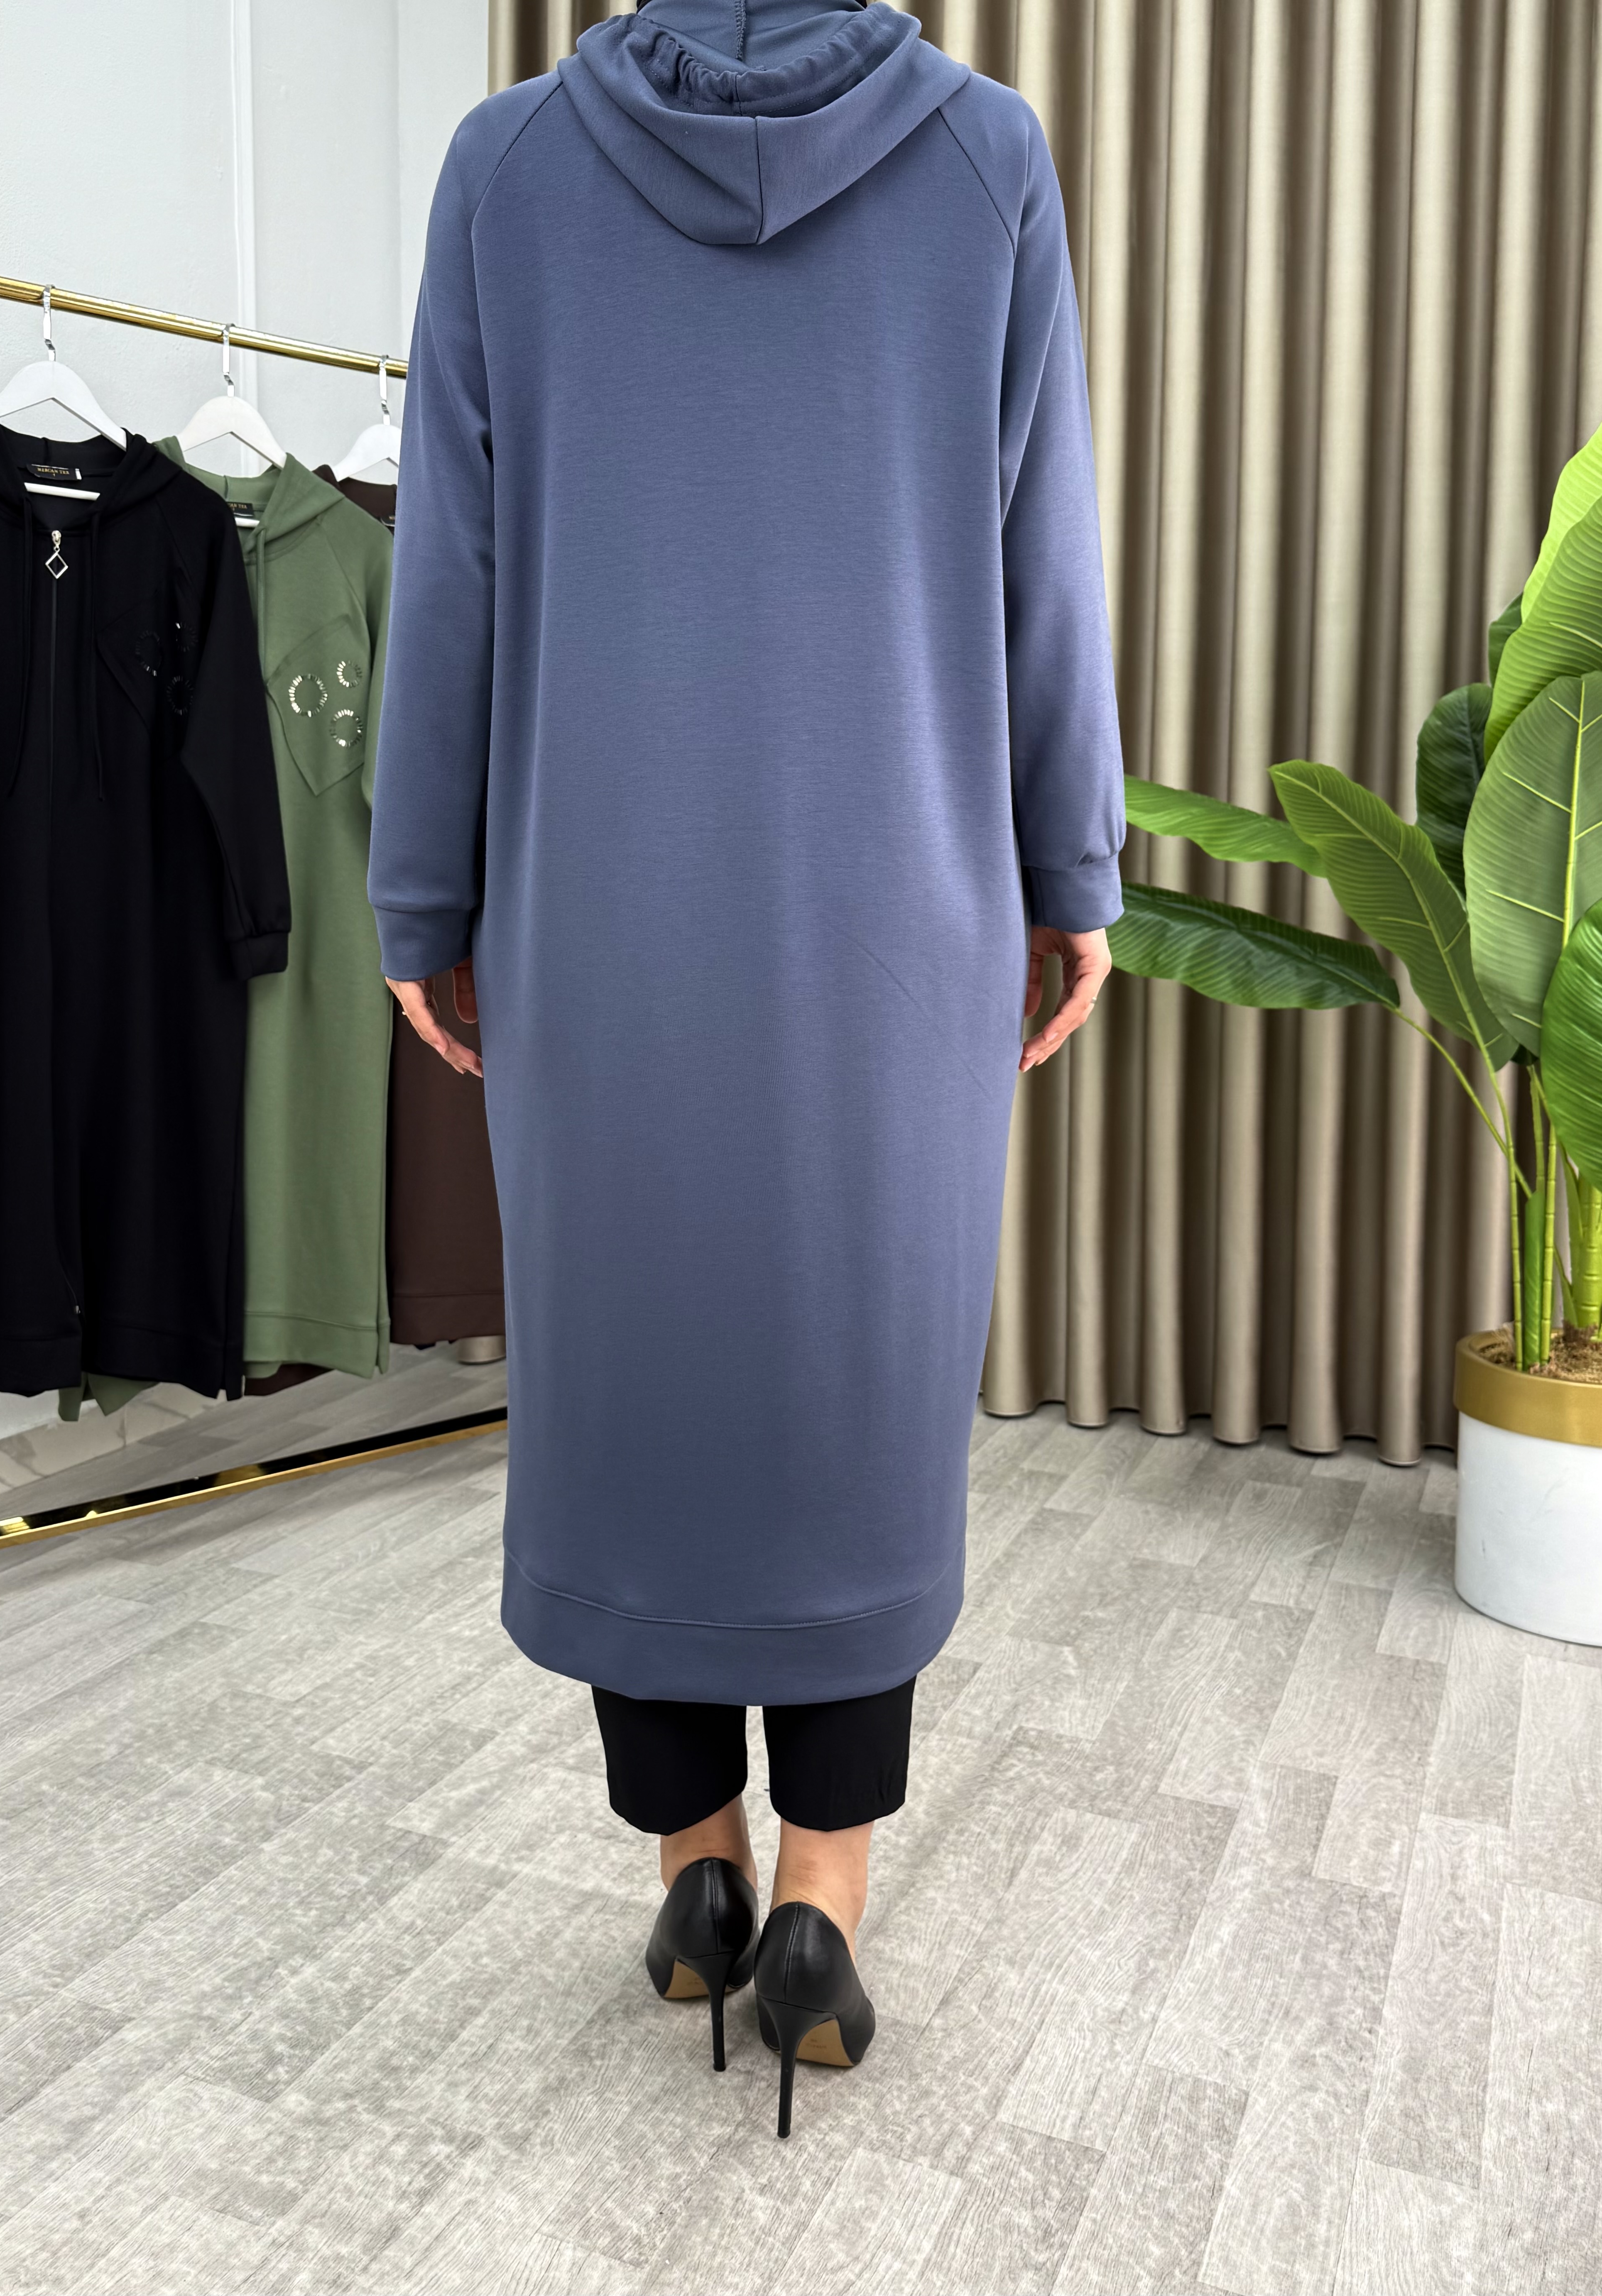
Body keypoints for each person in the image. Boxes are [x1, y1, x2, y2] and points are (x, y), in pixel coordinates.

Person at [367, 0, 1124, 2138]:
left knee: (638, 1373)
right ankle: (821, 1902)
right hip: (898, 902)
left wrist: (425, 894)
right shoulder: (982, 158)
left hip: (599, 905)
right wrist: (1071, 866)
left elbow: (452, 567)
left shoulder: (509, 170)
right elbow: (1040, 552)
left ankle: (691, 1874)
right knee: (847, 1384)